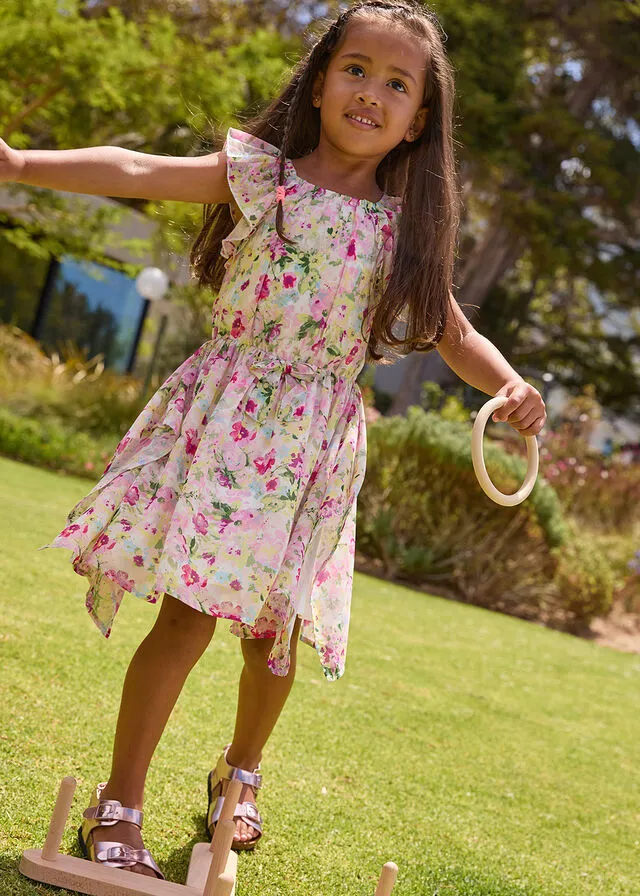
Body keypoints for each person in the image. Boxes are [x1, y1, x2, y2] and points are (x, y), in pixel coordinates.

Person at [0, 0, 547, 880]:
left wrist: (512, 383)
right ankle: (121, 803)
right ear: (323, 78)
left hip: (315, 450)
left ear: (419, 121)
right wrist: (19, 162)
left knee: (275, 635)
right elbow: (140, 165)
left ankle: (240, 775)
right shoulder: (264, 176)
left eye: (396, 84)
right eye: (356, 69)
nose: (371, 92)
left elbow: (451, 333)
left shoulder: (405, 230)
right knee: (185, 616)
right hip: (227, 424)